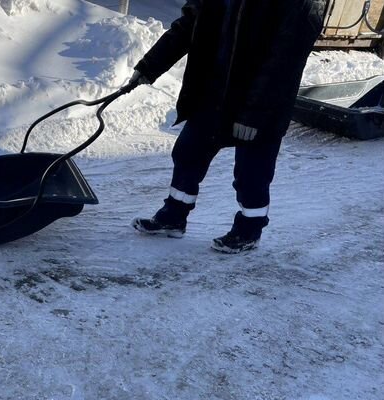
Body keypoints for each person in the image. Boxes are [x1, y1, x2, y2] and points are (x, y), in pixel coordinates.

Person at [129, 0, 326, 253]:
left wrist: (254, 115)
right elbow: (188, 25)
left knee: (251, 174)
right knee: (188, 154)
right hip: (215, 94)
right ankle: (173, 216)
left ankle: (249, 230)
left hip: (262, 103)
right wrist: (149, 66)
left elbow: (285, 62)